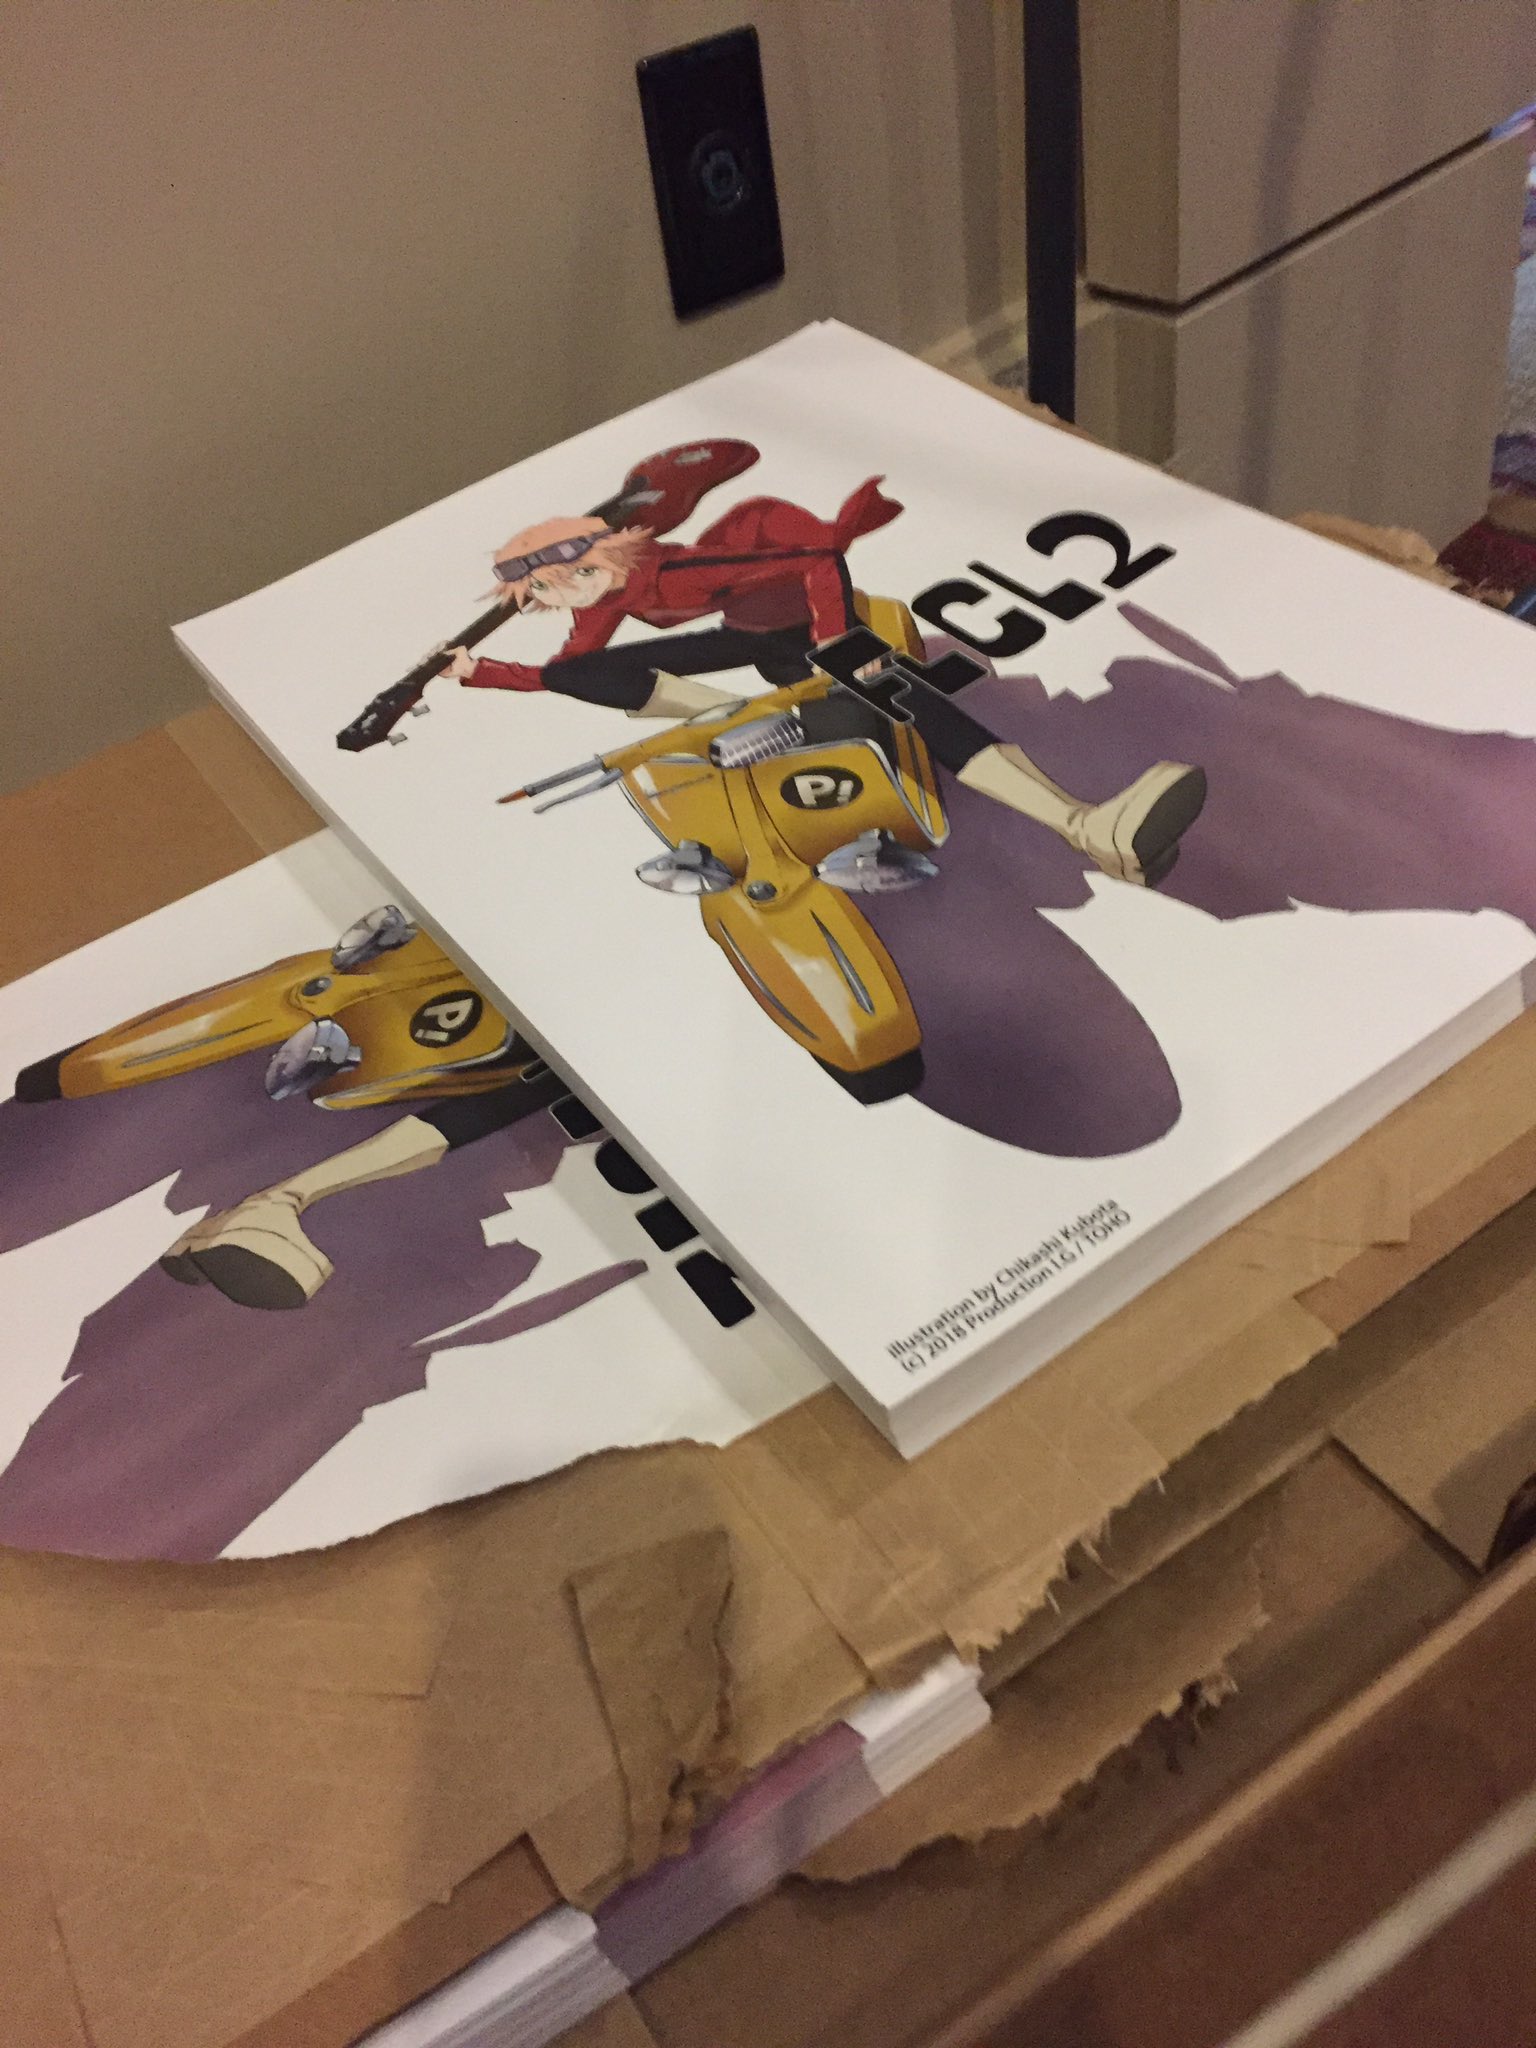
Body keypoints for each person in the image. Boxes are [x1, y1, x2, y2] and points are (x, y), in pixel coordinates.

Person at [443, 476, 1205, 886]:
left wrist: (839, 642)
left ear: (593, 561)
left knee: (913, 705)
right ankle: (739, 716)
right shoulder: (610, 601)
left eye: (553, 587)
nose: (554, 602)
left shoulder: (678, 571)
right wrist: (478, 674)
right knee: (580, 669)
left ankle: (1085, 827)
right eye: (539, 597)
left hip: (814, 626)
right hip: (756, 644)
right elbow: (569, 670)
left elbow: (817, 561)